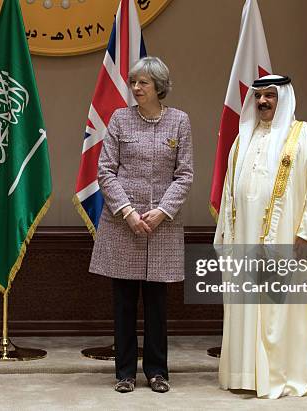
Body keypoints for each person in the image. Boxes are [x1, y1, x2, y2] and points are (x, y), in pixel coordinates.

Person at [214, 75, 307, 398]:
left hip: (289, 244)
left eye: (271, 96)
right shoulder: (243, 140)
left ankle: (284, 374)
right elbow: (229, 193)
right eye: (259, 96)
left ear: (284, 99)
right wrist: (225, 234)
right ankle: (247, 373)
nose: (263, 101)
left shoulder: (304, 137)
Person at [89, 56, 193, 393]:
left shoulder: (179, 122)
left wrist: (162, 211)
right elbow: (105, 170)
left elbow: (185, 174)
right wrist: (128, 212)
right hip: (123, 225)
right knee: (123, 304)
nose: (135, 88)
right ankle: (124, 373)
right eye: (133, 82)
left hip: (161, 226)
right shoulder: (120, 119)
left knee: (157, 304)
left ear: (158, 86)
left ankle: (157, 371)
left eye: (143, 83)